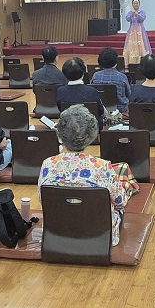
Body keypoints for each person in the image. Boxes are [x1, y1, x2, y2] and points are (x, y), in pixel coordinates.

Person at [39, 105, 139, 246]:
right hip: (99, 234)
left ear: (60, 133)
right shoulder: (102, 166)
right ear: (91, 134)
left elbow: (42, 200)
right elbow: (120, 202)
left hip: (58, 231)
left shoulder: (48, 163)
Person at [56, 57, 106, 129]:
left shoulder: (60, 91)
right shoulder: (92, 91)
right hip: (92, 129)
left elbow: (61, 110)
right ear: (83, 73)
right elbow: (100, 111)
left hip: (70, 128)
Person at [90, 47, 132, 112]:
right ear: (116, 62)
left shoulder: (96, 75)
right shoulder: (122, 77)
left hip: (102, 109)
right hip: (121, 110)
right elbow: (128, 94)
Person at [123, 0, 152, 64]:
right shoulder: (130, 12)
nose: (135, 4)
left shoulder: (142, 12)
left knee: (141, 44)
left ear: (139, 4)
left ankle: (142, 60)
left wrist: (136, 14)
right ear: (132, 4)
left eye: (137, 3)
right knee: (131, 44)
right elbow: (127, 19)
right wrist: (131, 15)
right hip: (132, 31)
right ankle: (132, 61)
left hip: (140, 30)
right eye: (134, 3)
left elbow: (142, 18)